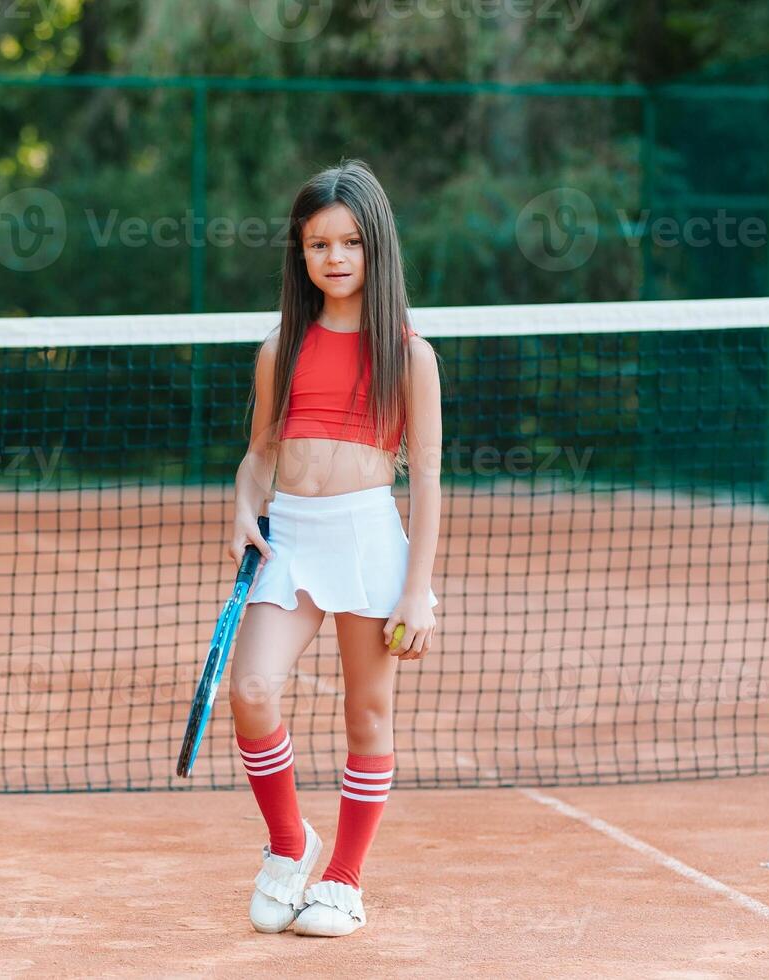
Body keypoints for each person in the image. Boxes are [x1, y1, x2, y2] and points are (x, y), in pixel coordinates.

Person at [228, 159, 442, 938]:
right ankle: (289, 845)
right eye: (318, 244)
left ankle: (343, 882)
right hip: (291, 540)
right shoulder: (279, 348)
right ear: (301, 254)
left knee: (366, 714)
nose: (336, 257)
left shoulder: (409, 354)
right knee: (250, 689)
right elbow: (258, 453)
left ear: (375, 246)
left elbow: (426, 481)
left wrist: (416, 591)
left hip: (366, 539)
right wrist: (242, 506)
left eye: (350, 241)